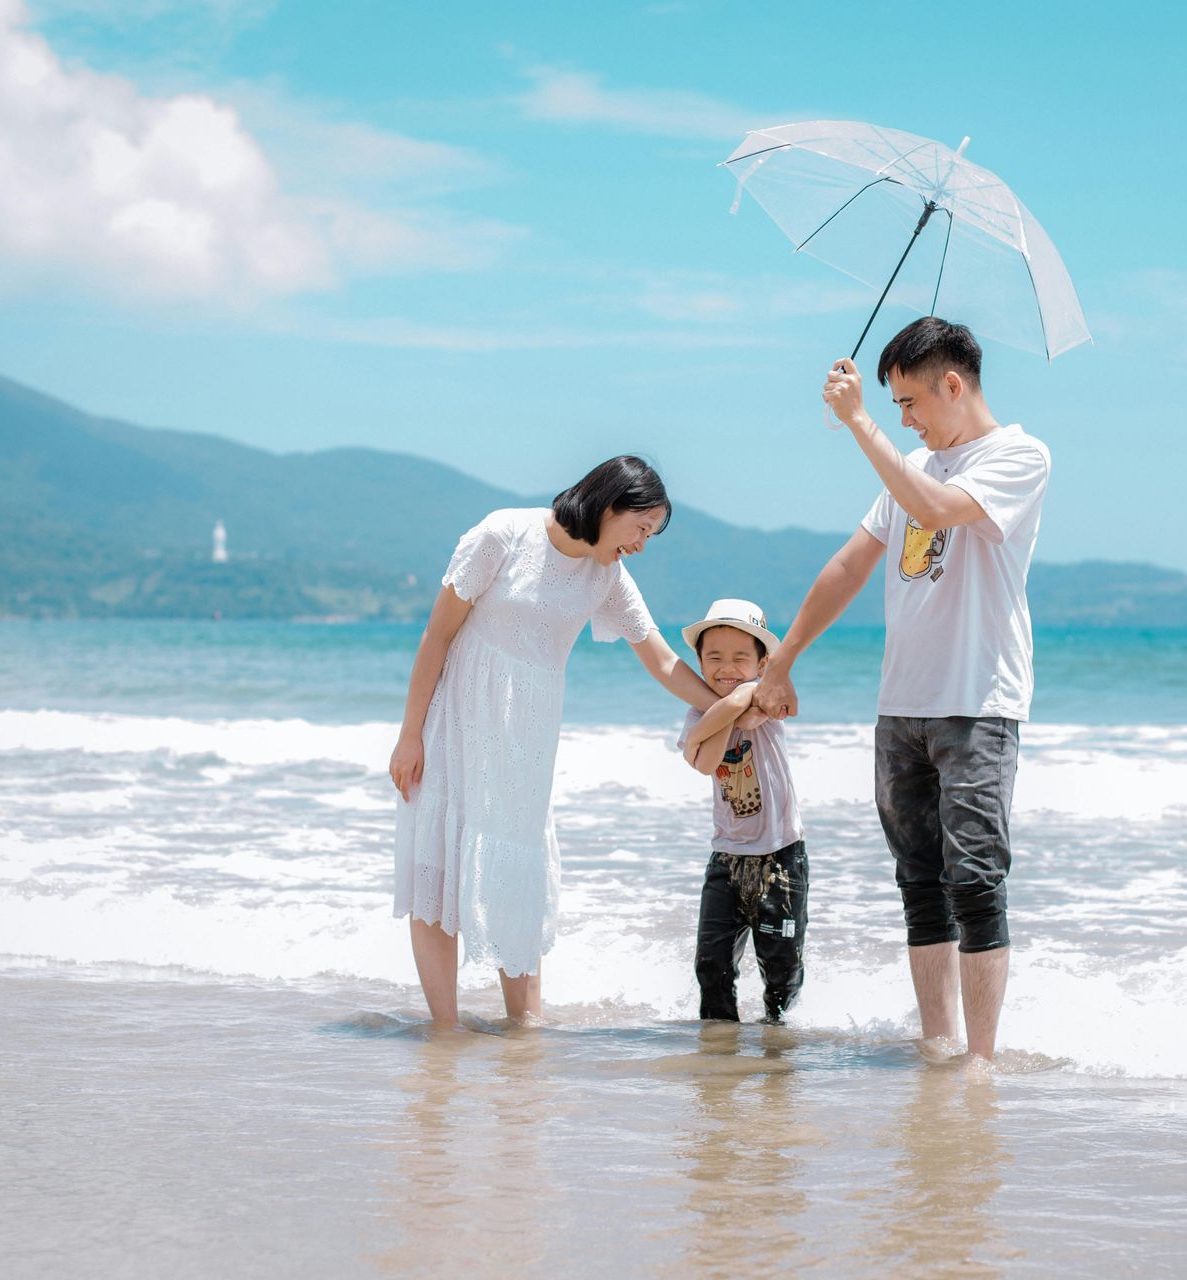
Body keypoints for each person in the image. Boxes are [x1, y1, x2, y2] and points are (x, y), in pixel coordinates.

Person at [753, 317, 1050, 1063]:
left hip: (977, 704)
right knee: (919, 884)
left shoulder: (1019, 455)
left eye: (911, 402)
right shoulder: (911, 465)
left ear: (954, 385)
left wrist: (858, 425)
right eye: (893, 409)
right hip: (901, 708)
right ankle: (937, 1048)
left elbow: (939, 511)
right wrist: (782, 659)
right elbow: (850, 566)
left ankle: (980, 1063)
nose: (906, 419)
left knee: (975, 881)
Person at [389, 456, 717, 1030]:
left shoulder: (606, 576)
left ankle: (526, 1026)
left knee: (517, 876)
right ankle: (444, 1028)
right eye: (641, 528)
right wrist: (410, 734)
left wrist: (734, 705)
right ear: (611, 506)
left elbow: (663, 662)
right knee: (440, 872)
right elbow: (437, 636)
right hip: (457, 729)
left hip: (525, 745)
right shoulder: (502, 535)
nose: (642, 544)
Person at [676, 598, 807, 1023]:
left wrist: (744, 701)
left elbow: (767, 703)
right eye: (713, 657)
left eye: (739, 658)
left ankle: (779, 1042)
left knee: (781, 967)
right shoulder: (699, 712)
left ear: (762, 663)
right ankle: (718, 1051)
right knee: (711, 966)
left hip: (781, 857)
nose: (725, 667)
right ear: (698, 662)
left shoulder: (769, 697)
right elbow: (702, 762)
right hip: (726, 860)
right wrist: (732, 711)